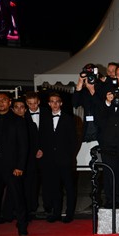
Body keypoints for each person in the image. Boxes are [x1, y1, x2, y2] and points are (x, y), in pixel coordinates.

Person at [96, 65, 119, 208]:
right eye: (118, 75)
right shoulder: (106, 92)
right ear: (114, 77)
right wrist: (107, 103)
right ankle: (112, 202)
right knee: (110, 174)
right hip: (109, 142)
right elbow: (99, 119)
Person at [38, 92, 78, 223]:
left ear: (61, 103)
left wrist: (70, 156)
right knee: (55, 187)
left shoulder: (69, 118)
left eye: (57, 101)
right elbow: (42, 138)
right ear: (49, 104)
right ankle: (56, 213)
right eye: (52, 101)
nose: (54, 104)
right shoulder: (44, 119)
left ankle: (69, 213)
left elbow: (74, 141)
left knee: (69, 187)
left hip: (65, 159)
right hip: (50, 160)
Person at [0, 92, 28, 235]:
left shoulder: (18, 120)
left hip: (12, 166)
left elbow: (24, 146)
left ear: (9, 103)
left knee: (17, 196)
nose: (0, 103)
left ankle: (22, 226)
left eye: (4, 100)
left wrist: (20, 166)